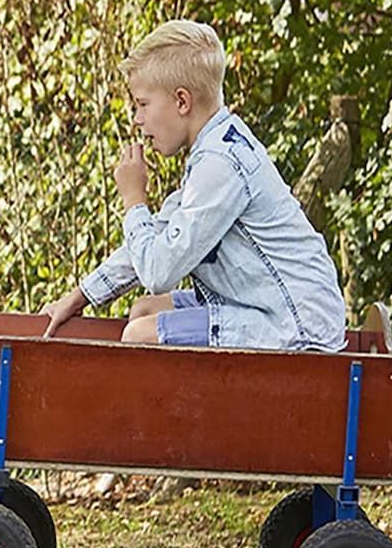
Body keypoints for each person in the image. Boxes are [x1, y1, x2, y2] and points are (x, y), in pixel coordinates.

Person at [39, 20, 347, 351]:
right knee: (144, 311)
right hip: (268, 308)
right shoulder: (213, 148)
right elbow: (157, 238)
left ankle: (187, 406)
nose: (136, 120)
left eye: (143, 104)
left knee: (139, 335)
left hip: (294, 326)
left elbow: (159, 271)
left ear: (182, 101)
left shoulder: (220, 165)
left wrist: (134, 200)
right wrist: (78, 298)